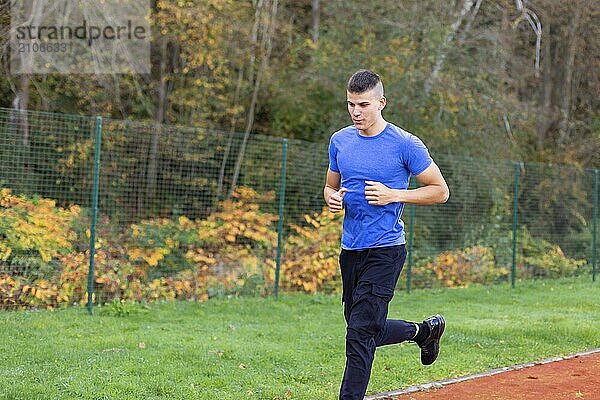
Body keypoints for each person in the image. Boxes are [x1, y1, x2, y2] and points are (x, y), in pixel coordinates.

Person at [324, 69, 450, 400]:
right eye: (351, 104)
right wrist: (331, 199)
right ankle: (424, 332)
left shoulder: (405, 144)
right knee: (365, 328)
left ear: (381, 102)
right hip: (350, 249)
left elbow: (440, 191)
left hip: (386, 250)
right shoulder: (340, 141)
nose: (356, 112)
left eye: (363, 105)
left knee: (361, 331)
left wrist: (395, 194)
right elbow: (330, 186)